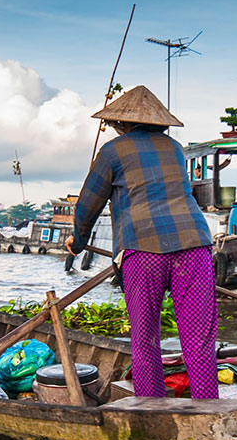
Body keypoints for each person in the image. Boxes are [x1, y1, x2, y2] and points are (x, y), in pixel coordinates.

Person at [65, 85, 218, 400]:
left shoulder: (112, 151)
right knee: (199, 336)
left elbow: (87, 204)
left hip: (143, 251)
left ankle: (152, 406)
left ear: (121, 124)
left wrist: (78, 241)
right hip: (194, 247)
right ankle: (207, 405)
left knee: (145, 337)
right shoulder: (174, 148)